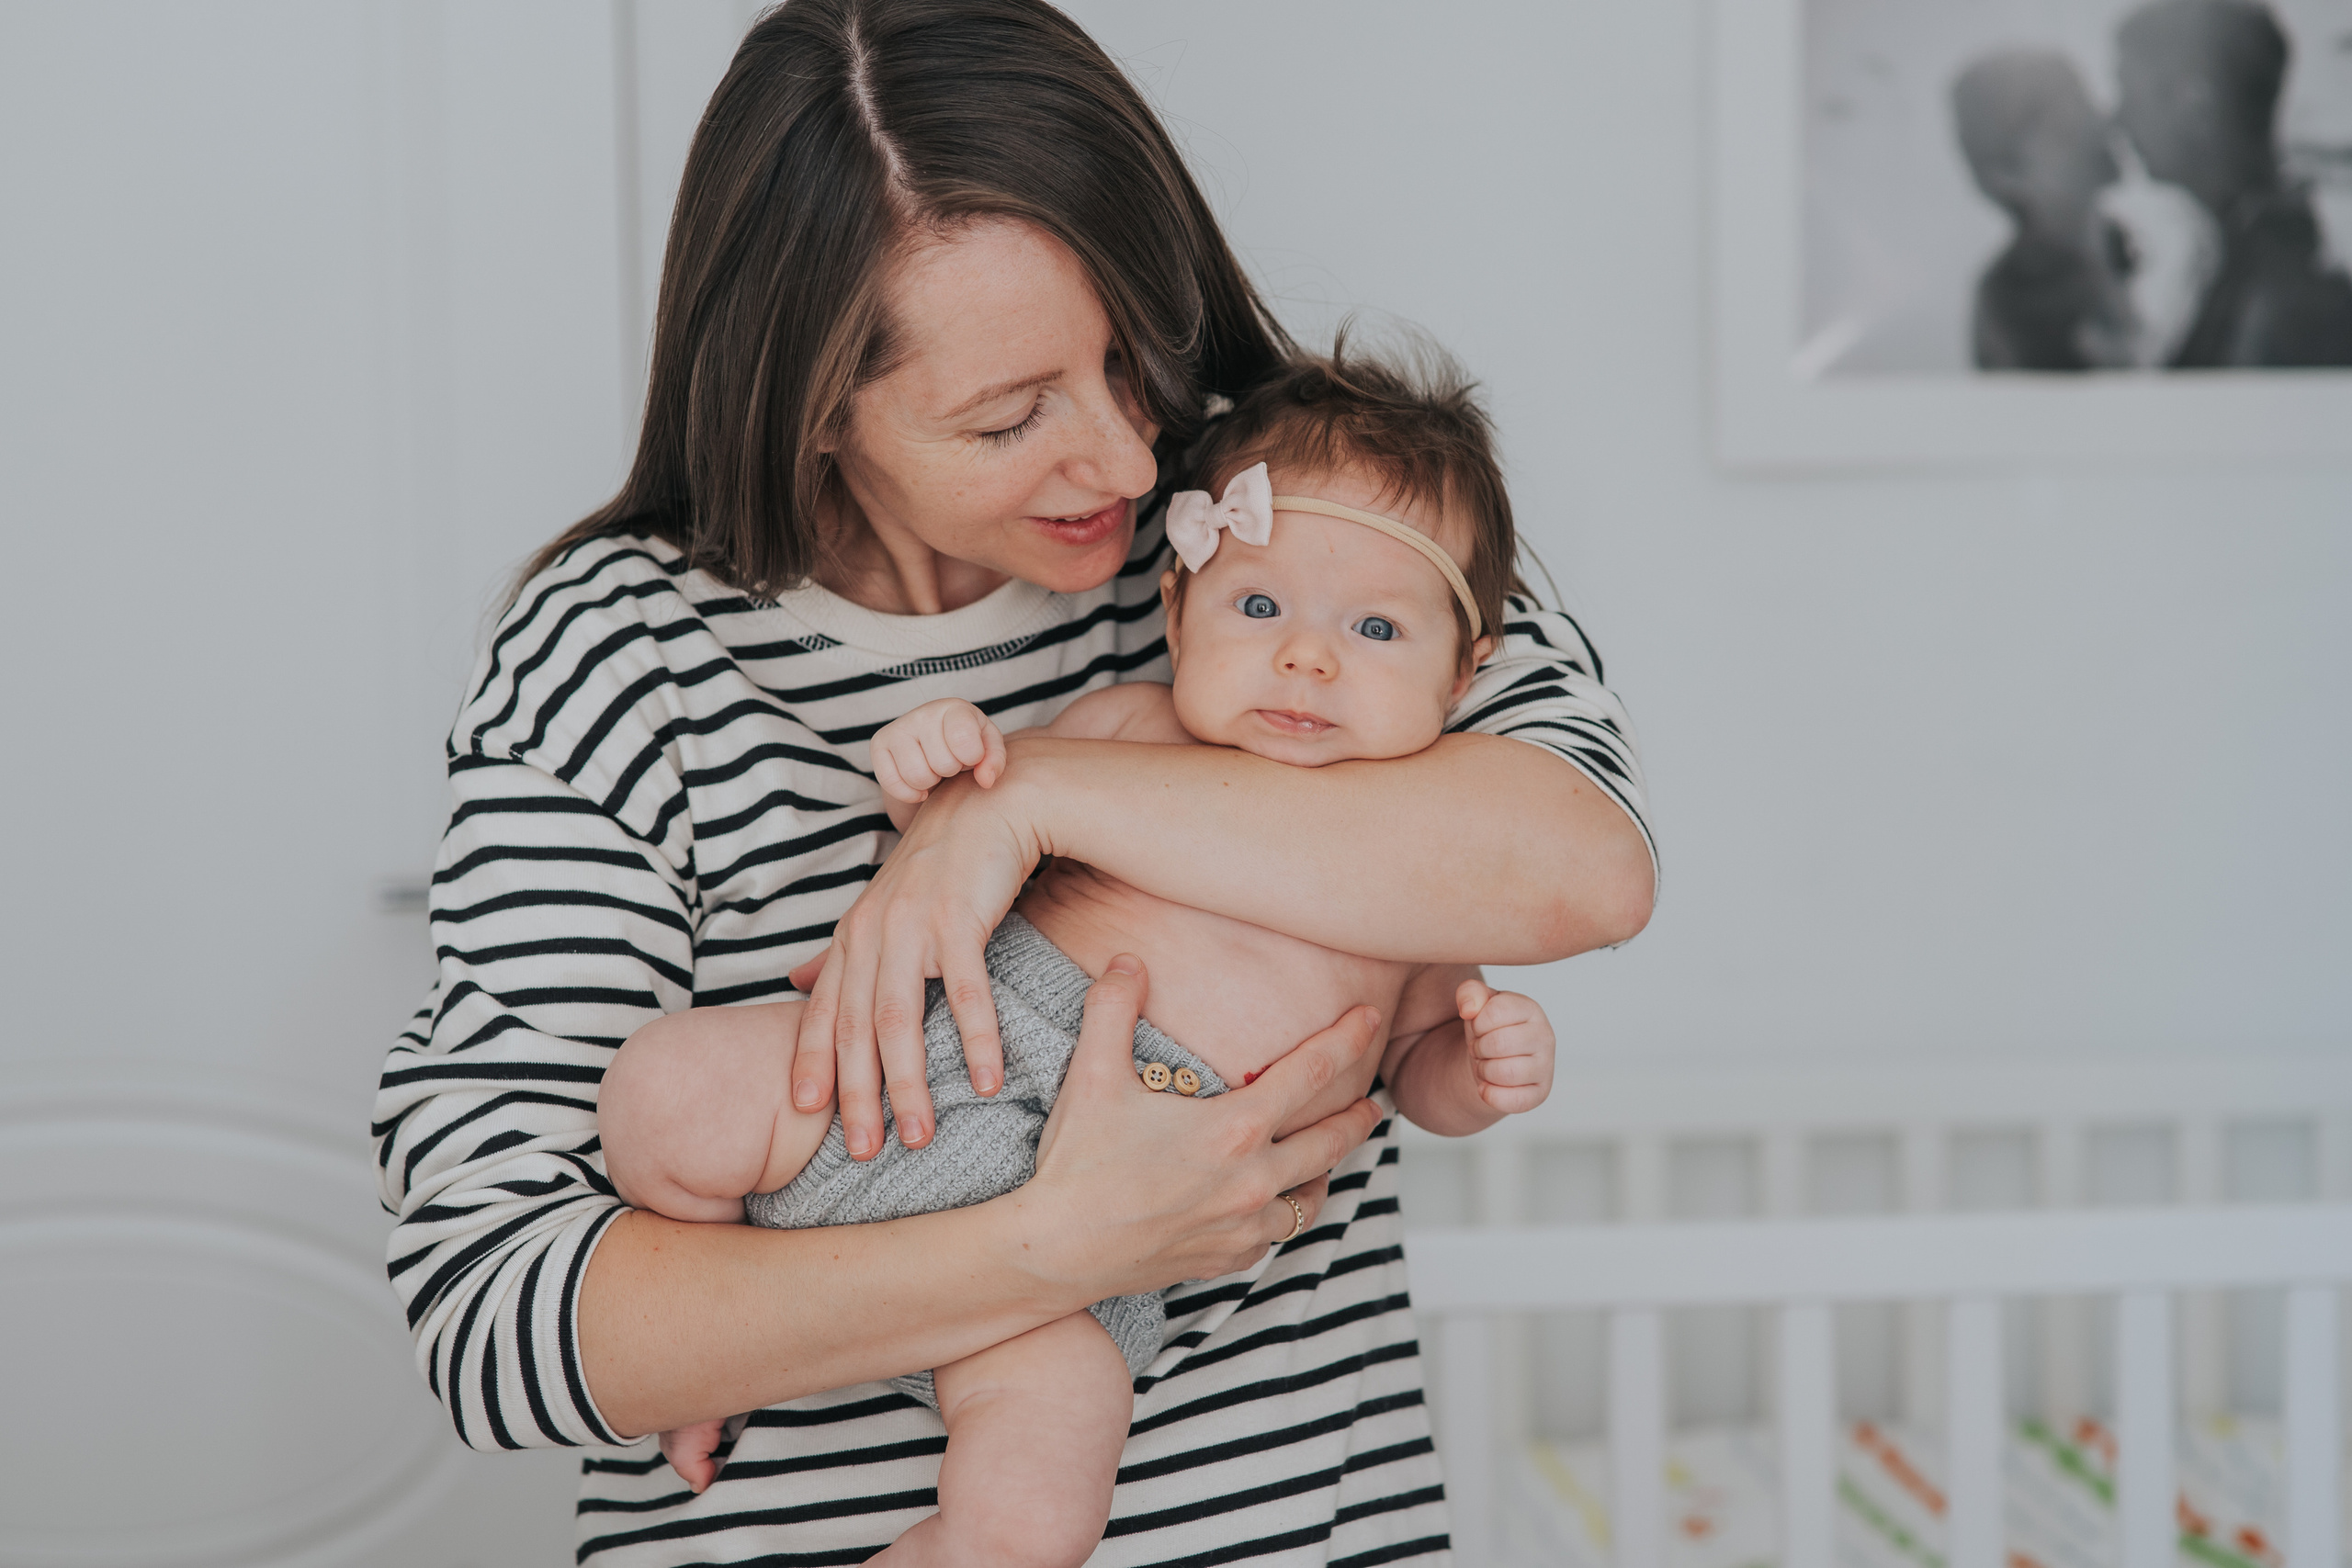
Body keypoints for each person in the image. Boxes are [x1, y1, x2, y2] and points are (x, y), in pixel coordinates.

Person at [370, 2, 1656, 1562]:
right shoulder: (617, 659)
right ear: (816, 401)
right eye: (1011, 413)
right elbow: (492, 1312)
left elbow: (1580, 872)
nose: (1125, 464)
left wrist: (1027, 799)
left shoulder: (1305, 530)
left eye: (1136, 359)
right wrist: (1053, 1245)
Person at [599, 349, 1566, 1566]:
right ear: (1178, 610)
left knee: (1032, 1514)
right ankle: (720, 1347)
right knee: (661, 1088)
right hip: (927, 1065)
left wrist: (1471, 1075)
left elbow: (1415, 1064)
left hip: (1108, 1236)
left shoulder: (1423, 868)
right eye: (1260, 608)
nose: (1307, 658)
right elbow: (970, 831)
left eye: (1374, 626)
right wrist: (939, 755)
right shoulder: (1127, 729)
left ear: (1467, 669)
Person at [2115, 0, 2352, 366]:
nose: (2118, 119)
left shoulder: (2288, 295)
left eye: (2130, 93)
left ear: (2196, 104)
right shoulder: (2247, 250)